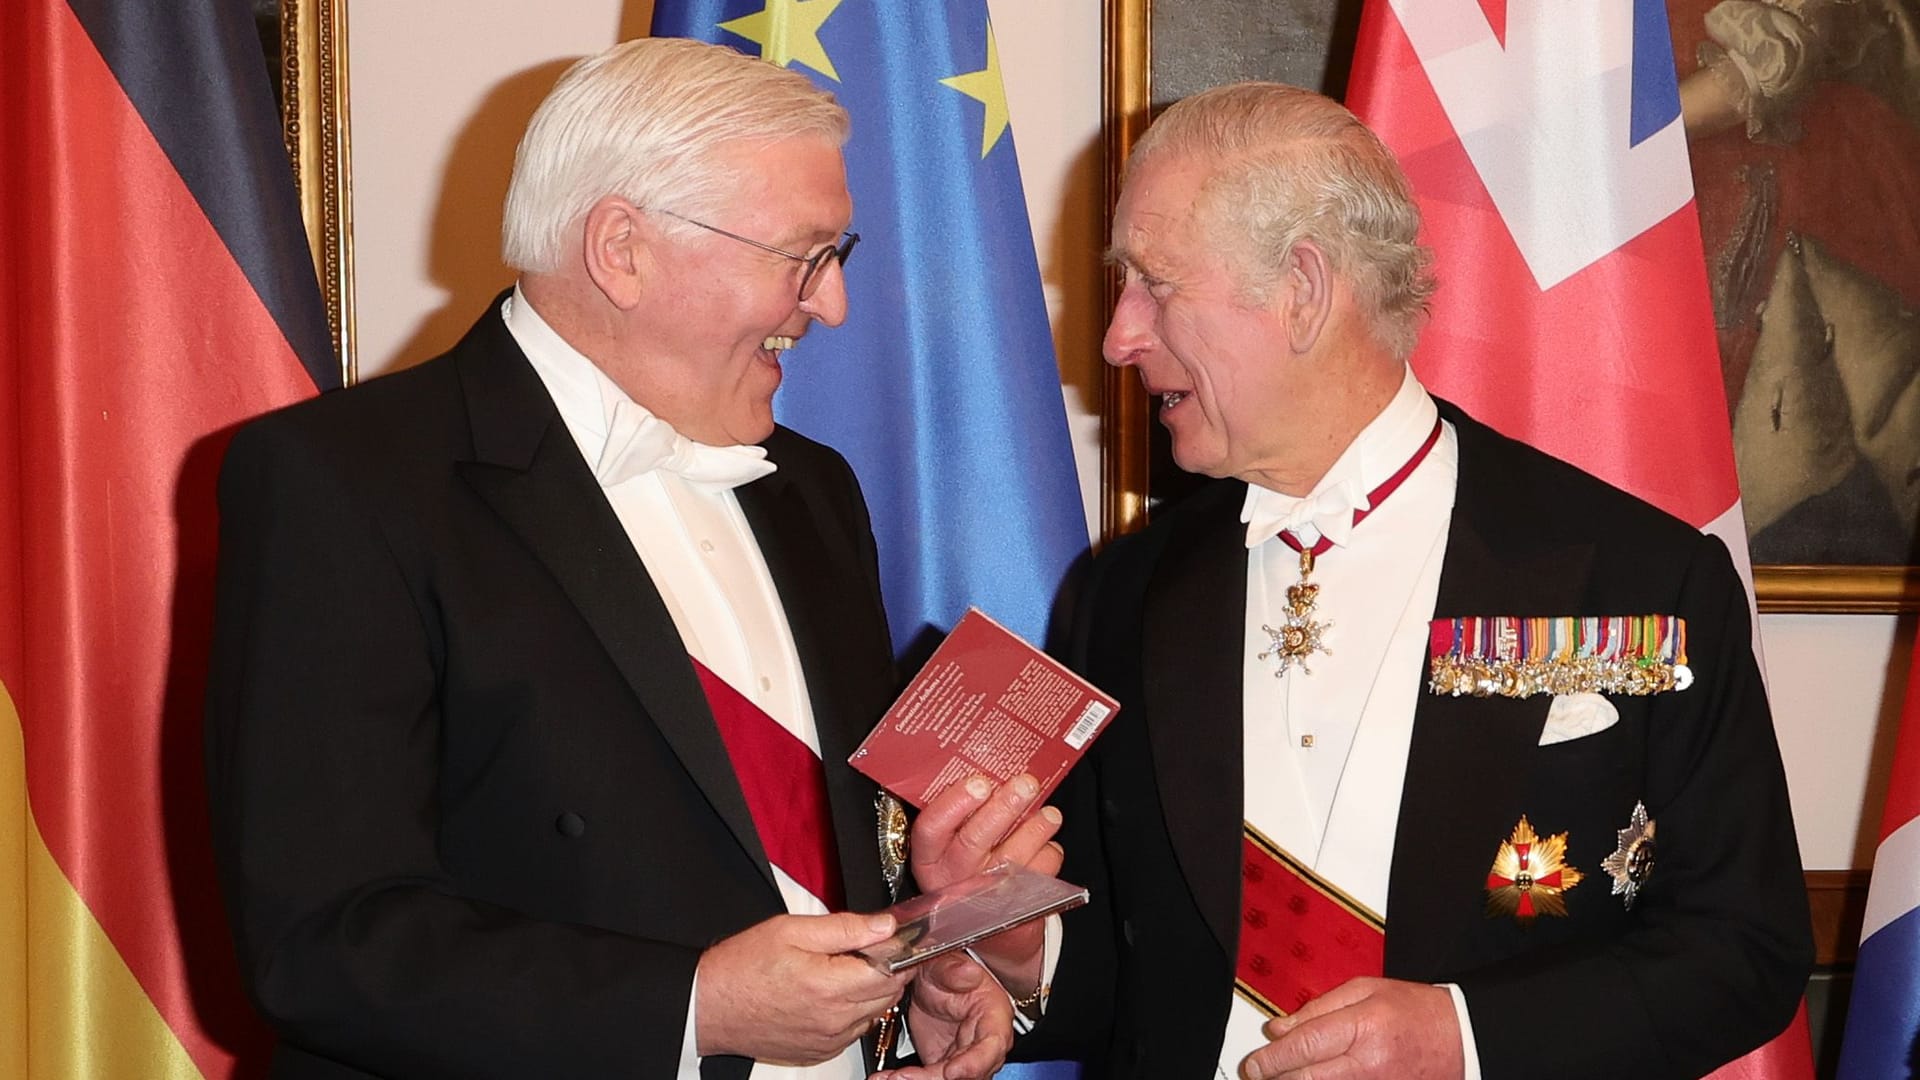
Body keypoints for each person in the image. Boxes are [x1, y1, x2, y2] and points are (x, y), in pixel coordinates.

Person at [204, 37, 1056, 1080]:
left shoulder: (814, 490)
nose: (830, 303)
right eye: (805, 255)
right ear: (623, 249)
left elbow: (801, 863)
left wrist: (922, 975)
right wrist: (693, 1009)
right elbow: (323, 944)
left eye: (841, 255)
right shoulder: (347, 482)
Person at [1023, 83, 1813, 1079]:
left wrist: (1468, 1041)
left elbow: (1746, 948)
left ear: (1302, 289)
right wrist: (1020, 962)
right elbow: (1132, 970)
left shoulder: (1638, 577)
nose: (1118, 336)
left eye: (1155, 285)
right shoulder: (1124, 594)